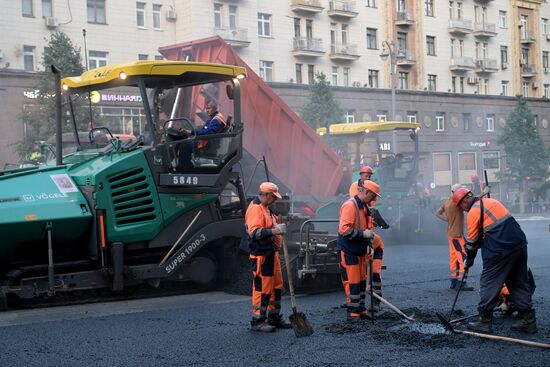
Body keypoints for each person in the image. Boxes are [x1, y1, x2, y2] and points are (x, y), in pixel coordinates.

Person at [453, 188, 537, 334]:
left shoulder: (473, 213)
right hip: (519, 245)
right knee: (518, 283)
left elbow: (472, 243)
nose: (463, 210)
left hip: (500, 251)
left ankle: (484, 322)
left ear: (464, 201)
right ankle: (528, 321)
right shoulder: (492, 202)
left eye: (461, 207)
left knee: (488, 283)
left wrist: (469, 261)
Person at [243, 182, 292, 332]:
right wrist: (274, 231)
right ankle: (258, 320)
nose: (275, 200)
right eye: (273, 197)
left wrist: (277, 228)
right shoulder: (255, 209)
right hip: (261, 255)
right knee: (262, 288)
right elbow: (255, 233)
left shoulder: (266, 208)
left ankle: (274, 317)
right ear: (266, 195)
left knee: (276, 286)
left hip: (271, 253)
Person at [338, 179, 381, 320]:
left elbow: (366, 227)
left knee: (361, 282)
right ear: (366, 192)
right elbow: (344, 230)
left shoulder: (363, 207)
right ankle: (353, 312)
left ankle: (361, 309)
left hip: (359, 250)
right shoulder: (350, 206)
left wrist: (369, 240)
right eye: (373, 196)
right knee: (354, 283)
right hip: (349, 251)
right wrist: (363, 234)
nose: (374, 199)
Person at [434, 184, 474, 291]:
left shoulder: (447, 202)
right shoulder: (457, 203)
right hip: (457, 235)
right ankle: (462, 283)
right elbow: (472, 204)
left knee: (454, 259)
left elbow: (437, 213)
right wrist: (483, 193)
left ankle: (454, 282)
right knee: (464, 258)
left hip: (451, 235)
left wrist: (448, 220)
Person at [178, 100, 228, 170]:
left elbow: (208, 132)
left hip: (207, 144)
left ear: (215, 108)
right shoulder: (214, 117)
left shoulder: (217, 120)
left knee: (184, 145)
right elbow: (206, 129)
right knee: (185, 142)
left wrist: (192, 132)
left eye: (209, 108)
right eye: (206, 108)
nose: (207, 110)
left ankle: (184, 170)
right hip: (206, 141)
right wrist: (193, 132)